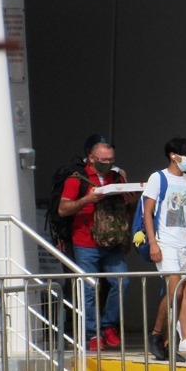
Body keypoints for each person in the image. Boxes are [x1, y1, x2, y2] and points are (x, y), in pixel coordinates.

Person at [57, 134, 132, 351]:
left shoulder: (118, 178)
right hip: (85, 241)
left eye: (111, 159)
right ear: (91, 158)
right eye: (103, 159)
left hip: (113, 242)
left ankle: (109, 325)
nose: (108, 163)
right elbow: (63, 209)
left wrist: (130, 199)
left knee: (122, 282)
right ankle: (92, 333)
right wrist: (87, 199)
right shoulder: (76, 179)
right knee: (89, 289)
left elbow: (128, 208)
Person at [142, 138, 186, 360]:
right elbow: (147, 212)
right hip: (165, 242)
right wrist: (153, 242)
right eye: (185, 154)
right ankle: (158, 335)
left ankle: (168, 342)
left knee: (181, 293)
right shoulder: (158, 178)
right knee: (175, 290)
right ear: (173, 155)